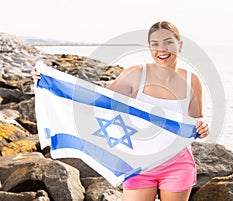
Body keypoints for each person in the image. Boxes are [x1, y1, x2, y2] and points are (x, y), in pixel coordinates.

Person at [32, 21, 209, 201]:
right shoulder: (137, 74)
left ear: (180, 44)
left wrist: (203, 126)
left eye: (168, 42)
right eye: (155, 44)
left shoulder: (191, 81)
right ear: (149, 47)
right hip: (138, 165)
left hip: (177, 164)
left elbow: (196, 119)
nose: (161, 49)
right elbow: (96, 102)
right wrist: (50, 82)